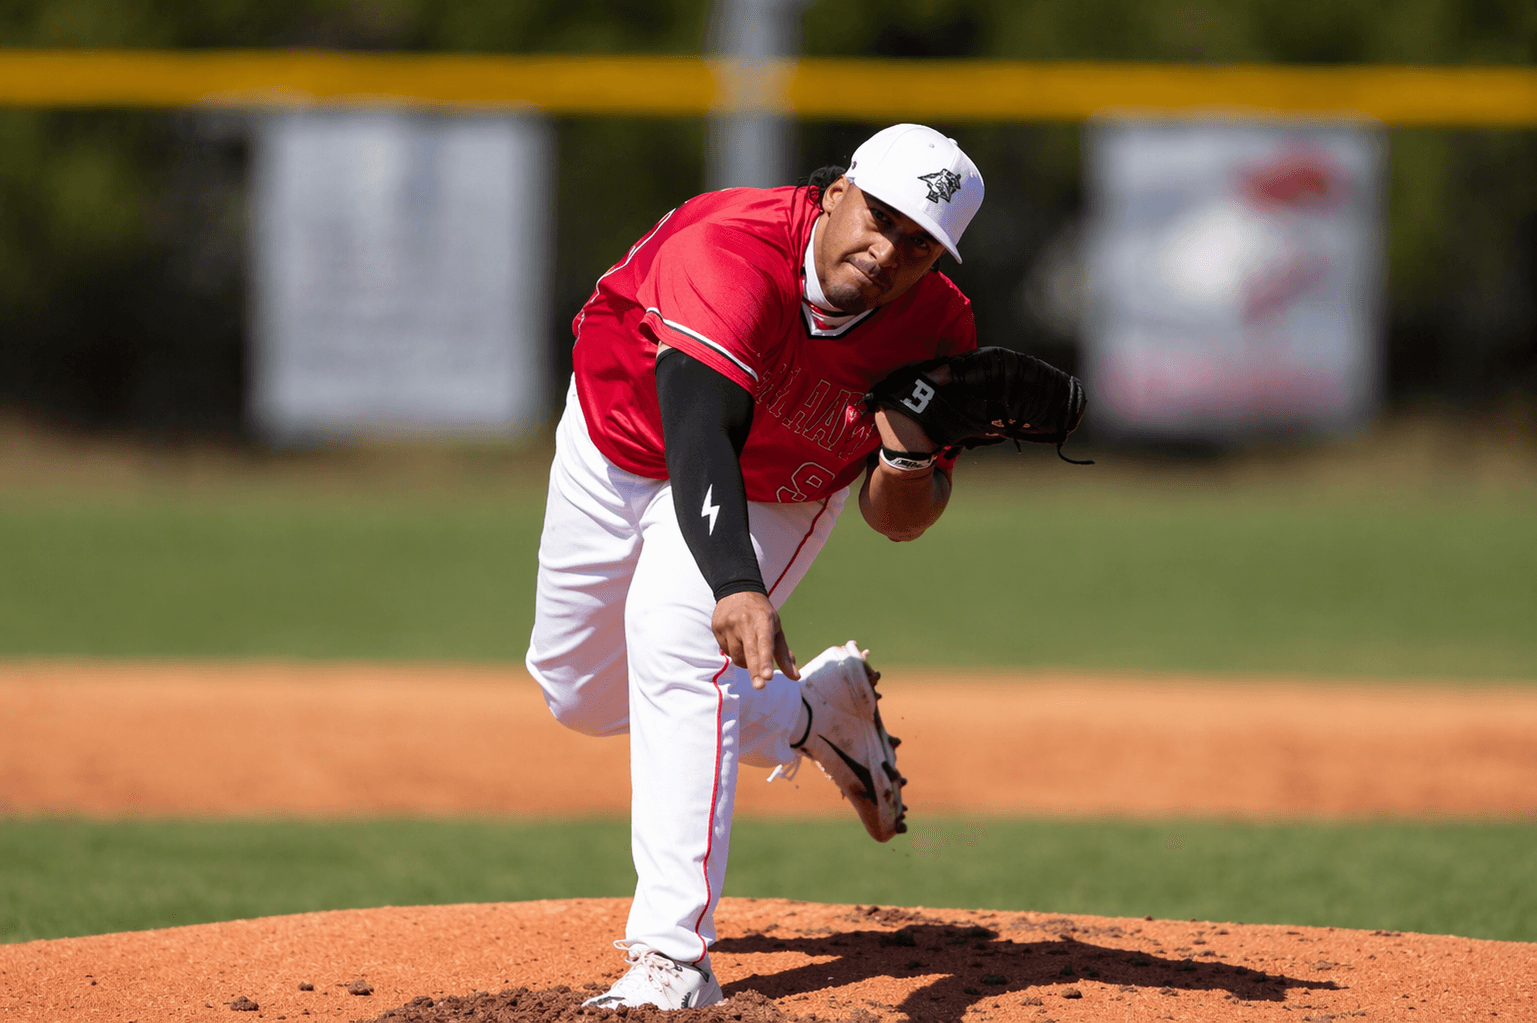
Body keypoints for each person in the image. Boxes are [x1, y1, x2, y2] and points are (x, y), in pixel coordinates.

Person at [525, 123, 984, 1010]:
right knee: (578, 694)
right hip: (619, 442)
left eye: (919, 243)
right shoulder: (728, 247)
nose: (887, 249)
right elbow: (701, 433)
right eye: (880, 216)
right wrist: (736, 583)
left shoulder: (938, 328)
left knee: (672, 638)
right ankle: (815, 712)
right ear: (838, 189)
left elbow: (902, 522)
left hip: (780, 481)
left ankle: (670, 961)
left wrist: (906, 458)